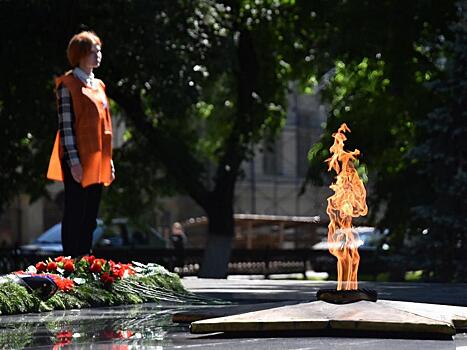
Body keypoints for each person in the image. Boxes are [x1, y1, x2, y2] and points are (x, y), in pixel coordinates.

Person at [47, 31, 115, 257]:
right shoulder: (68, 84)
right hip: (76, 159)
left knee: (91, 215)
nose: (98, 55)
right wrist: (74, 162)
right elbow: (66, 127)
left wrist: (109, 160)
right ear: (80, 55)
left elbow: (105, 126)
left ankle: (85, 260)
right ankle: (70, 261)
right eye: (93, 51)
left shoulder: (99, 85)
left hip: (97, 159)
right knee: (75, 211)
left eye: (99, 50)